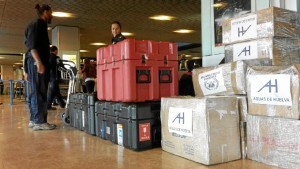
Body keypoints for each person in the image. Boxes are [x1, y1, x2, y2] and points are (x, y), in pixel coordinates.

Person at [24, 4, 56, 131]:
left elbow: (28, 49)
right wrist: (39, 62)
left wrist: (27, 70)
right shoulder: (37, 25)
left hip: (33, 64)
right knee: (40, 92)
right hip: (37, 64)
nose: (52, 15)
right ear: (46, 12)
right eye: (51, 12)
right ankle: (39, 121)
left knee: (35, 92)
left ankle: (34, 119)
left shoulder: (39, 26)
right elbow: (32, 47)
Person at [47, 46, 66, 110]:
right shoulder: (56, 58)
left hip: (49, 76)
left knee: (56, 91)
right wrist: (66, 70)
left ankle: (62, 104)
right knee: (52, 91)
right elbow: (62, 66)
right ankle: (48, 105)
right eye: (57, 51)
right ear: (55, 50)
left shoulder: (47, 57)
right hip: (55, 76)